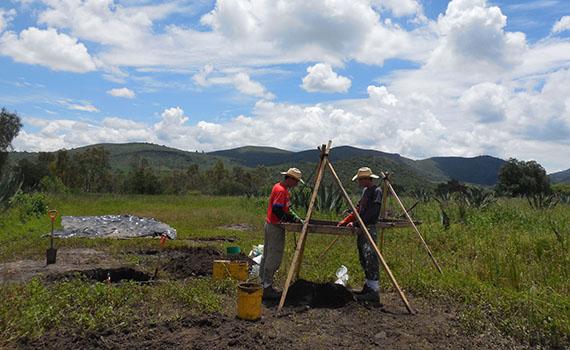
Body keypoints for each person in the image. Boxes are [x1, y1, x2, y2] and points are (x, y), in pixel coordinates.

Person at [337, 167, 382, 302]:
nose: (359, 182)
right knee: (363, 257)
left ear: (367, 179)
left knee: (370, 258)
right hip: (362, 228)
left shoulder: (376, 191)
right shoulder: (365, 191)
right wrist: (346, 221)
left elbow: (372, 213)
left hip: (368, 228)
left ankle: (374, 291)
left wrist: (356, 223)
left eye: (361, 179)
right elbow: (358, 209)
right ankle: (368, 287)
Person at [261, 167, 303, 300]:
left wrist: (295, 218)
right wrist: (288, 220)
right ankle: (267, 287)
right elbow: (277, 210)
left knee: (267, 254)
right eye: (296, 181)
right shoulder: (281, 190)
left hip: (271, 225)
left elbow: (287, 208)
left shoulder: (281, 189)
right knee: (274, 256)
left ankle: (264, 284)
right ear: (290, 179)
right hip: (275, 226)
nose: (296, 184)